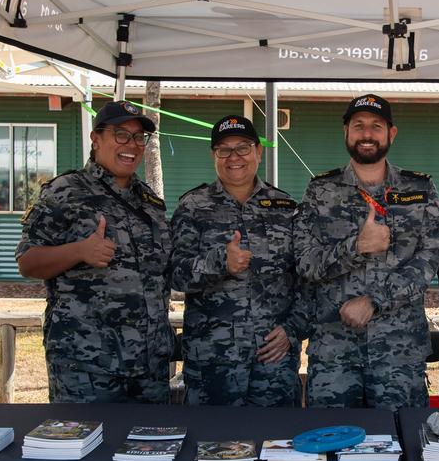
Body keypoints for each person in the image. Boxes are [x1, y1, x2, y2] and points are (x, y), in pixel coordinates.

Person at [295, 94, 439, 410]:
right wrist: (357, 247)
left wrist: (375, 301)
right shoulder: (320, 190)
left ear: (391, 133)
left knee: (400, 445)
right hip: (334, 352)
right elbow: (305, 262)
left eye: (376, 126)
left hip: (398, 352)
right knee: (331, 445)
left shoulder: (419, 189)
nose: (367, 134)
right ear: (346, 132)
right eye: (358, 126)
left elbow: (430, 259)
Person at [17, 100, 173, 403]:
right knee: (87, 446)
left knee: (150, 446)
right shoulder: (66, 191)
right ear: (96, 138)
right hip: (89, 365)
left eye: (138, 137)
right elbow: (27, 261)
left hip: (149, 366)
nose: (132, 145)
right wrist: (79, 250)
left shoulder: (149, 202)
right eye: (121, 135)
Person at [170, 115, 309, 406]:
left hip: (273, 362)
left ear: (258, 152)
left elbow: (308, 281)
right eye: (224, 149)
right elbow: (175, 274)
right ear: (214, 156)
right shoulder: (193, 207)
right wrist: (220, 263)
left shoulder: (285, 208)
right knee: (211, 445)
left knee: (276, 443)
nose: (234, 157)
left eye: (243, 148)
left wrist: (292, 330)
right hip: (213, 362)